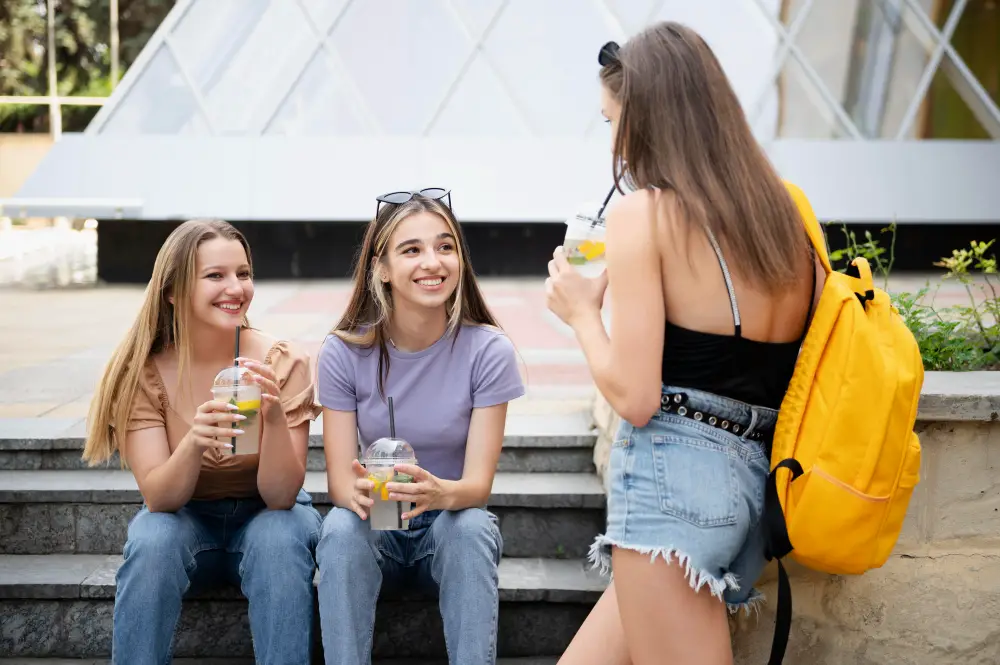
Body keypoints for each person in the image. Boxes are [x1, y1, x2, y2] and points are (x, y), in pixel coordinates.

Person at [545, 23, 822, 665]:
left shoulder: (641, 215)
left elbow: (636, 398)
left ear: (643, 120)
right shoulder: (784, 216)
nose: (611, 137)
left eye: (612, 118)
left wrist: (583, 315)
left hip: (674, 480)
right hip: (752, 480)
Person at [83, 218, 323, 665]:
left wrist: (271, 415)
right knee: (152, 538)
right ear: (172, 291)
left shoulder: (281, 360)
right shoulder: (144, 373)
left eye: (244, 273)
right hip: (185, 516)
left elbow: (280, 496)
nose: (236, 288)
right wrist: (193, 442)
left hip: (265, 513)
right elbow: (160, 497)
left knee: (280, 535)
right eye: (215, 276)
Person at [315, 188, 525, 665]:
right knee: (341, 530)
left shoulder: (488, 351)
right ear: (382, 268)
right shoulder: (343, 353)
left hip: (447, 526)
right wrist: (360, 492)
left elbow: (477, 486)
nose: (433, 261)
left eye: (445, 246)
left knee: (470, 528)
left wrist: (437, 494)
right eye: (412, 249)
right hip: (379, 523)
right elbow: (339, 484)